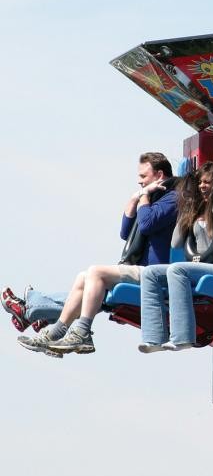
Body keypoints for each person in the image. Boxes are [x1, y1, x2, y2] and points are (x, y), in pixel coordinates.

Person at [18, 152, 178, 358]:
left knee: (96, 272)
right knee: (83, 277)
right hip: (140, 268)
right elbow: (125, 231)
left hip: (154, 273)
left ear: (159, 175)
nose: (139, 181)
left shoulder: (173, 198)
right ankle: (56, 333)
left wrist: (144, 196)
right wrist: (134, 199)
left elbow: (146, 225)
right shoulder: (149, 198)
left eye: (143, 177)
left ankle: (82, 332)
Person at [138, 161, 213, 352]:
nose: (202, 186)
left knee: (177, 269)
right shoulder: (197, 209)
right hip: (203, 267)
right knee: (150, 273)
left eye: (208, 182)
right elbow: (176, 242)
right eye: (200, 182)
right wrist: (186, 211)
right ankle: (153, 338)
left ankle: (182, 338)